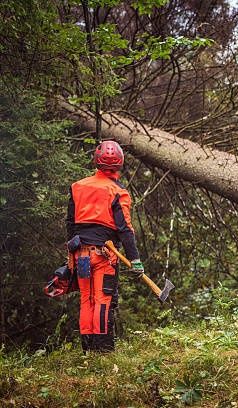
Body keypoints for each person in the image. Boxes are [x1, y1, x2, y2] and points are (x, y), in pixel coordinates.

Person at [66, 140, 144, 352]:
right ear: (120, 163)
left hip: (81, 254)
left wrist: (71, 254)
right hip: (104, 256)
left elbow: (70, 223)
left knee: (86, 300)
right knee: (103, 301)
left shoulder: (77, 187)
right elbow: (125, 229)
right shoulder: (118, 192)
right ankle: (102, 351)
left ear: (96, 161)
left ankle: (87, 350)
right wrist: (135, 259)